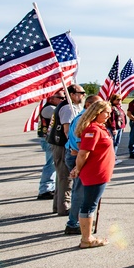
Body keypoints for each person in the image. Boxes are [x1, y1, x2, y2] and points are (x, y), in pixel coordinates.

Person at [69, 100, 116, 249]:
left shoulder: (99, 128)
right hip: (95, 173)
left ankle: (87, 236)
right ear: (96, 113)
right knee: (89, 205)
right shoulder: (93, 129)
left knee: (90, 204)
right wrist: (77, 168)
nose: (108, 115)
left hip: (100, 172)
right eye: (106, 112)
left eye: (109, 112)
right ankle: (86, 239)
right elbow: (83, 153)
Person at [64, 94, 102, 235]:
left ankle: (78, 220)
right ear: (88, 106)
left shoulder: (87, 119)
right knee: (80, 192)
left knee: (80, 191)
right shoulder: (82, 120)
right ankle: (73, 222)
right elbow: (81, 145)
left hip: (78, 155)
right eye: (97, 107)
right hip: (78, 157)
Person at [47, 85, 86, 216]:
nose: (83, 95)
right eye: (81, 93)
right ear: (72, 94)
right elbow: (67, 130)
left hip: (59, 144)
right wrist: (75, 146)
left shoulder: (67, 106)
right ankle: (64, 207)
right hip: (63, 145)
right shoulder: (68, 108)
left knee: (61, 176)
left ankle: (58, 205)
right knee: (66, 177)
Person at [36, 92, 62, 200]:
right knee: (50, 164)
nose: (63, 99)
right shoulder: (50, 108)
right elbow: (60, 114)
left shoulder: (52, 107)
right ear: (51, 98)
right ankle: (45, 189)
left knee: (53, 164)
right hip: (48, 139)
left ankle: (50, 187)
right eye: (60, 98)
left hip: (50, 139)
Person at [106, 94, 127, 161]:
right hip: (114, 128)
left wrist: (124, 126)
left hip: (120, 127)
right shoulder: (112, 108)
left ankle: (114, 155)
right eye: (117, 99)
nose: (119, 101)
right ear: (113, 100)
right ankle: (111, 157)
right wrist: (113, 128)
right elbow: (112, 119)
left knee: (117, 143)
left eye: (120, 99)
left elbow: (123, 117)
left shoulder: (119, 107)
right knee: (113, 143)